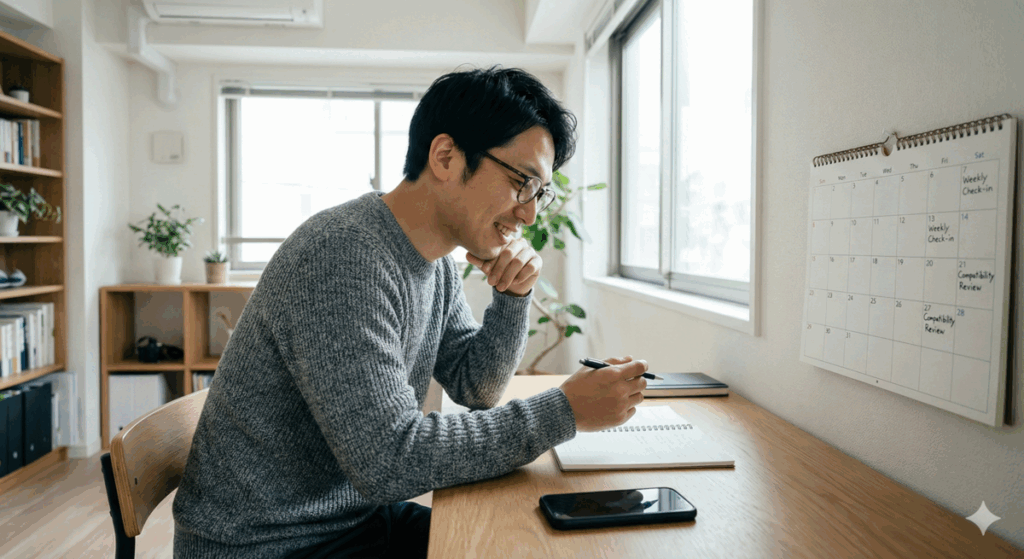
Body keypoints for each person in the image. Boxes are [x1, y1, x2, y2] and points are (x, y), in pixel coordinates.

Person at [172, 66, 648, 559]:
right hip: (270, 546)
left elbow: (476, 387)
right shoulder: (343, 255)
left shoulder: (432, 261)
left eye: (539, 192)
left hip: (349, 522)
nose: (529, 213)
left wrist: (512, 297)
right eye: (521, 182)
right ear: (445, 157)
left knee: (529, 538)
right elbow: (390, 461)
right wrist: (565, 410)